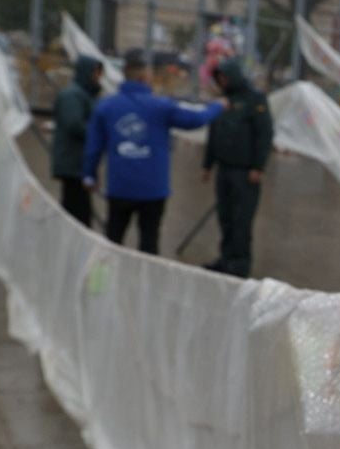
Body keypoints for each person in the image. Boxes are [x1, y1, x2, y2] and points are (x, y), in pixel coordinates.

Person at [82, 48, 225, 255]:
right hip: (153, 190)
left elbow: (93, 148)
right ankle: (144, 285)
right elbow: (196, 120)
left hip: (120, 188)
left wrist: (89, 175)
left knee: (112, 240)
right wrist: (218, 106)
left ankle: (103, 283)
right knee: (149, 242)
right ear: (143, 77)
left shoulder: (106, 107)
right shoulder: (161, 106)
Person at [201, 57, 274, 278]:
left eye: (224, 77)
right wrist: (207, 164)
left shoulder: (255, 100)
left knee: (242, 220)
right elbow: (214, 135)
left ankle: (240, 264)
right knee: (226, 218)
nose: (221, 81)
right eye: (218, 78)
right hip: (224, 170)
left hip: (245, 172)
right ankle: (226, 259)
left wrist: (258, 167)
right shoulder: (223, 102)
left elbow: (265, 135)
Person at [50, 55, 103, 227]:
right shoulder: (72, 95)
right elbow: (74, 125)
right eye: (96, 73)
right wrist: (101, 134)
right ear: (87, 73)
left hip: (78, 164)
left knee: (75, 212)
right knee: (78, 215)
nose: (98, 77)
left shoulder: (85, 95)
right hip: (72, 165)